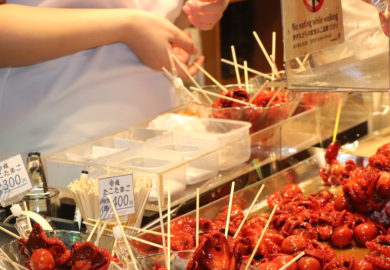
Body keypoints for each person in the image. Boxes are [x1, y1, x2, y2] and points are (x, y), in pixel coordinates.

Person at [0, 0, 229, 158]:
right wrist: (128, 28)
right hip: (55, 143)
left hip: (158, 141)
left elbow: (156, 14)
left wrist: (190, 14)